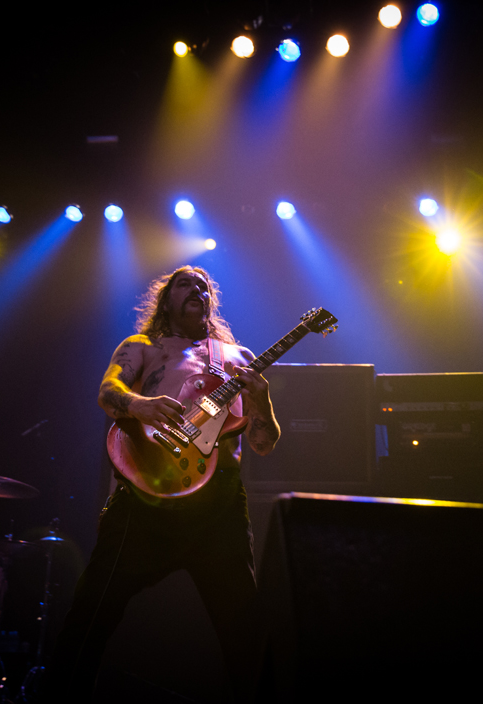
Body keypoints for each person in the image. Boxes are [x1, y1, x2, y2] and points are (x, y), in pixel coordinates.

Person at [44, 266, 280, 701]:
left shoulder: (238, 357)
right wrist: (141, 404)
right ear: (165, 299)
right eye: (185, 284)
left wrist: (261, 397)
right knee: (91, 613)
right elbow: (107, 391)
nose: (198, 289)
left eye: (205, 286)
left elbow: (263, 443)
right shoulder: (143, 347)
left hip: (219, 506)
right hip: (144, 499)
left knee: (245, 627)